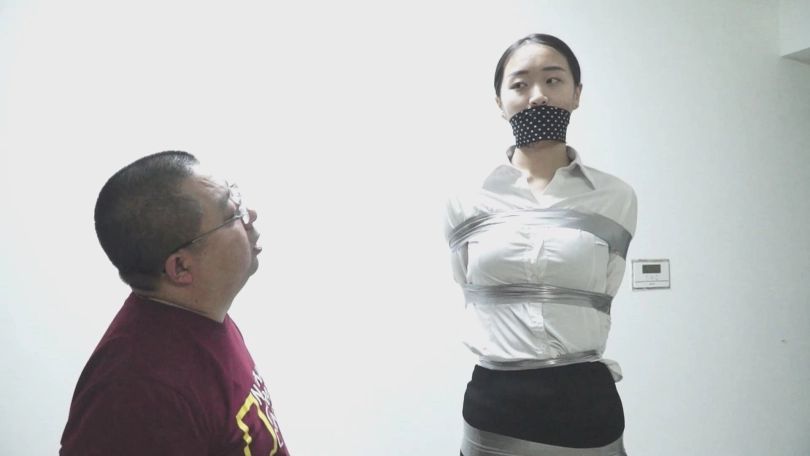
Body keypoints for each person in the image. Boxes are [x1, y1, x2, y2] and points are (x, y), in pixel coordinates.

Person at [444, 34, 638, 456]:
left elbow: (606, 286)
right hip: (495, 405)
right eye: (520, 84)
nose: (537, 96)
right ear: (500, 101)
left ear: (576, 93)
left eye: (553, 80)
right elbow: (466, 280)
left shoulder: (615, 198)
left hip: (586, 405)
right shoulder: (466, 200)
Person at [60, 151, 291, 456]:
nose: (250, 215)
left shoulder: (201, 314)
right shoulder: (139, 395)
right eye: (231, 214)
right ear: (180, 267)